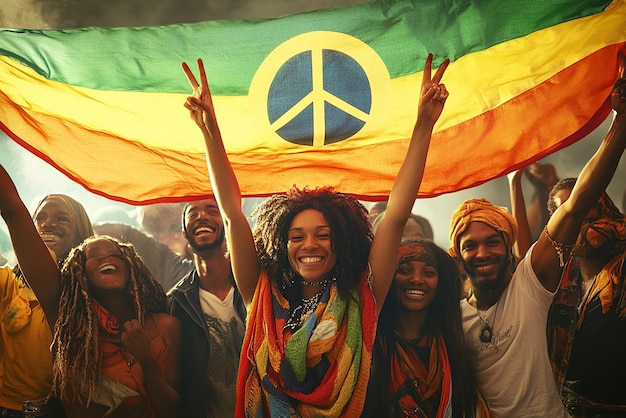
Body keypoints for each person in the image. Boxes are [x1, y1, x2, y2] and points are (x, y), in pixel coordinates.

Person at [182, 52, 449, 416]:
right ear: (280, 244)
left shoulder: (362, 295)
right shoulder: (259, 292)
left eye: (323, 235)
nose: (310, 244)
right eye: (297, 236)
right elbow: (231, 214)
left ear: (342, 242)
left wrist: (423, 126)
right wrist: (209, 130)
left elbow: (396, 216)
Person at [447, 63, 626, 417]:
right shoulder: (452, 318)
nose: (483, 252)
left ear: (508, 249)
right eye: (470, 245)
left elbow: (575, 207)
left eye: (493, 242)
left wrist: (620, 125)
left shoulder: (528, 288)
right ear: (458, 254)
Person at [0, 164, 181, 418]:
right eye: (93, 256)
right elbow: (13, 210)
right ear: (80, 274)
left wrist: (146, 358)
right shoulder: (69, 316)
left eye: (115, 254)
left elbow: (173, 409)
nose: (105, 258)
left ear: (134, 267)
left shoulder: (166, 326)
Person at [364, 238, 492, 417]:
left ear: (440, 285)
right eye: (404, 271)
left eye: (428, 273)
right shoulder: (371, 346)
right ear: (389, 280)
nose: (416, 279)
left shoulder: (455, 344)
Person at [0, 189, 93, 417]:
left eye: (62, 218)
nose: (47, 224)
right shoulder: (7, 282)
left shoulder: (92, 289)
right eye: (39, 218)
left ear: (80, 233)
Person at [545, 178, 626, 416]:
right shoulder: (559, 276)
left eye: (588, 218)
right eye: (570, 216)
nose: (581, 227)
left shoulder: (621, 270)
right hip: (565, 408)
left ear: (606, 213)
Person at [167, 198, 246, 418]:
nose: (202, 216)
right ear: (185, 233)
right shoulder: (176, 304)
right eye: (193, 214)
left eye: (213, 210)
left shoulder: (256, 284)